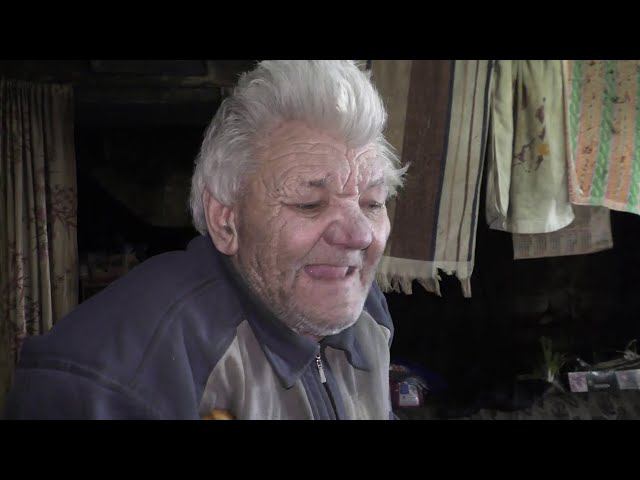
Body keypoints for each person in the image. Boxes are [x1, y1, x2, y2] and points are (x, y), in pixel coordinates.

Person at [4, 60, 406, 419]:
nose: (360, 236)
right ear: (225, 221)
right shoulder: (109, 384)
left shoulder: (363, 308)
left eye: (373, 203)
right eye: (309, 204)